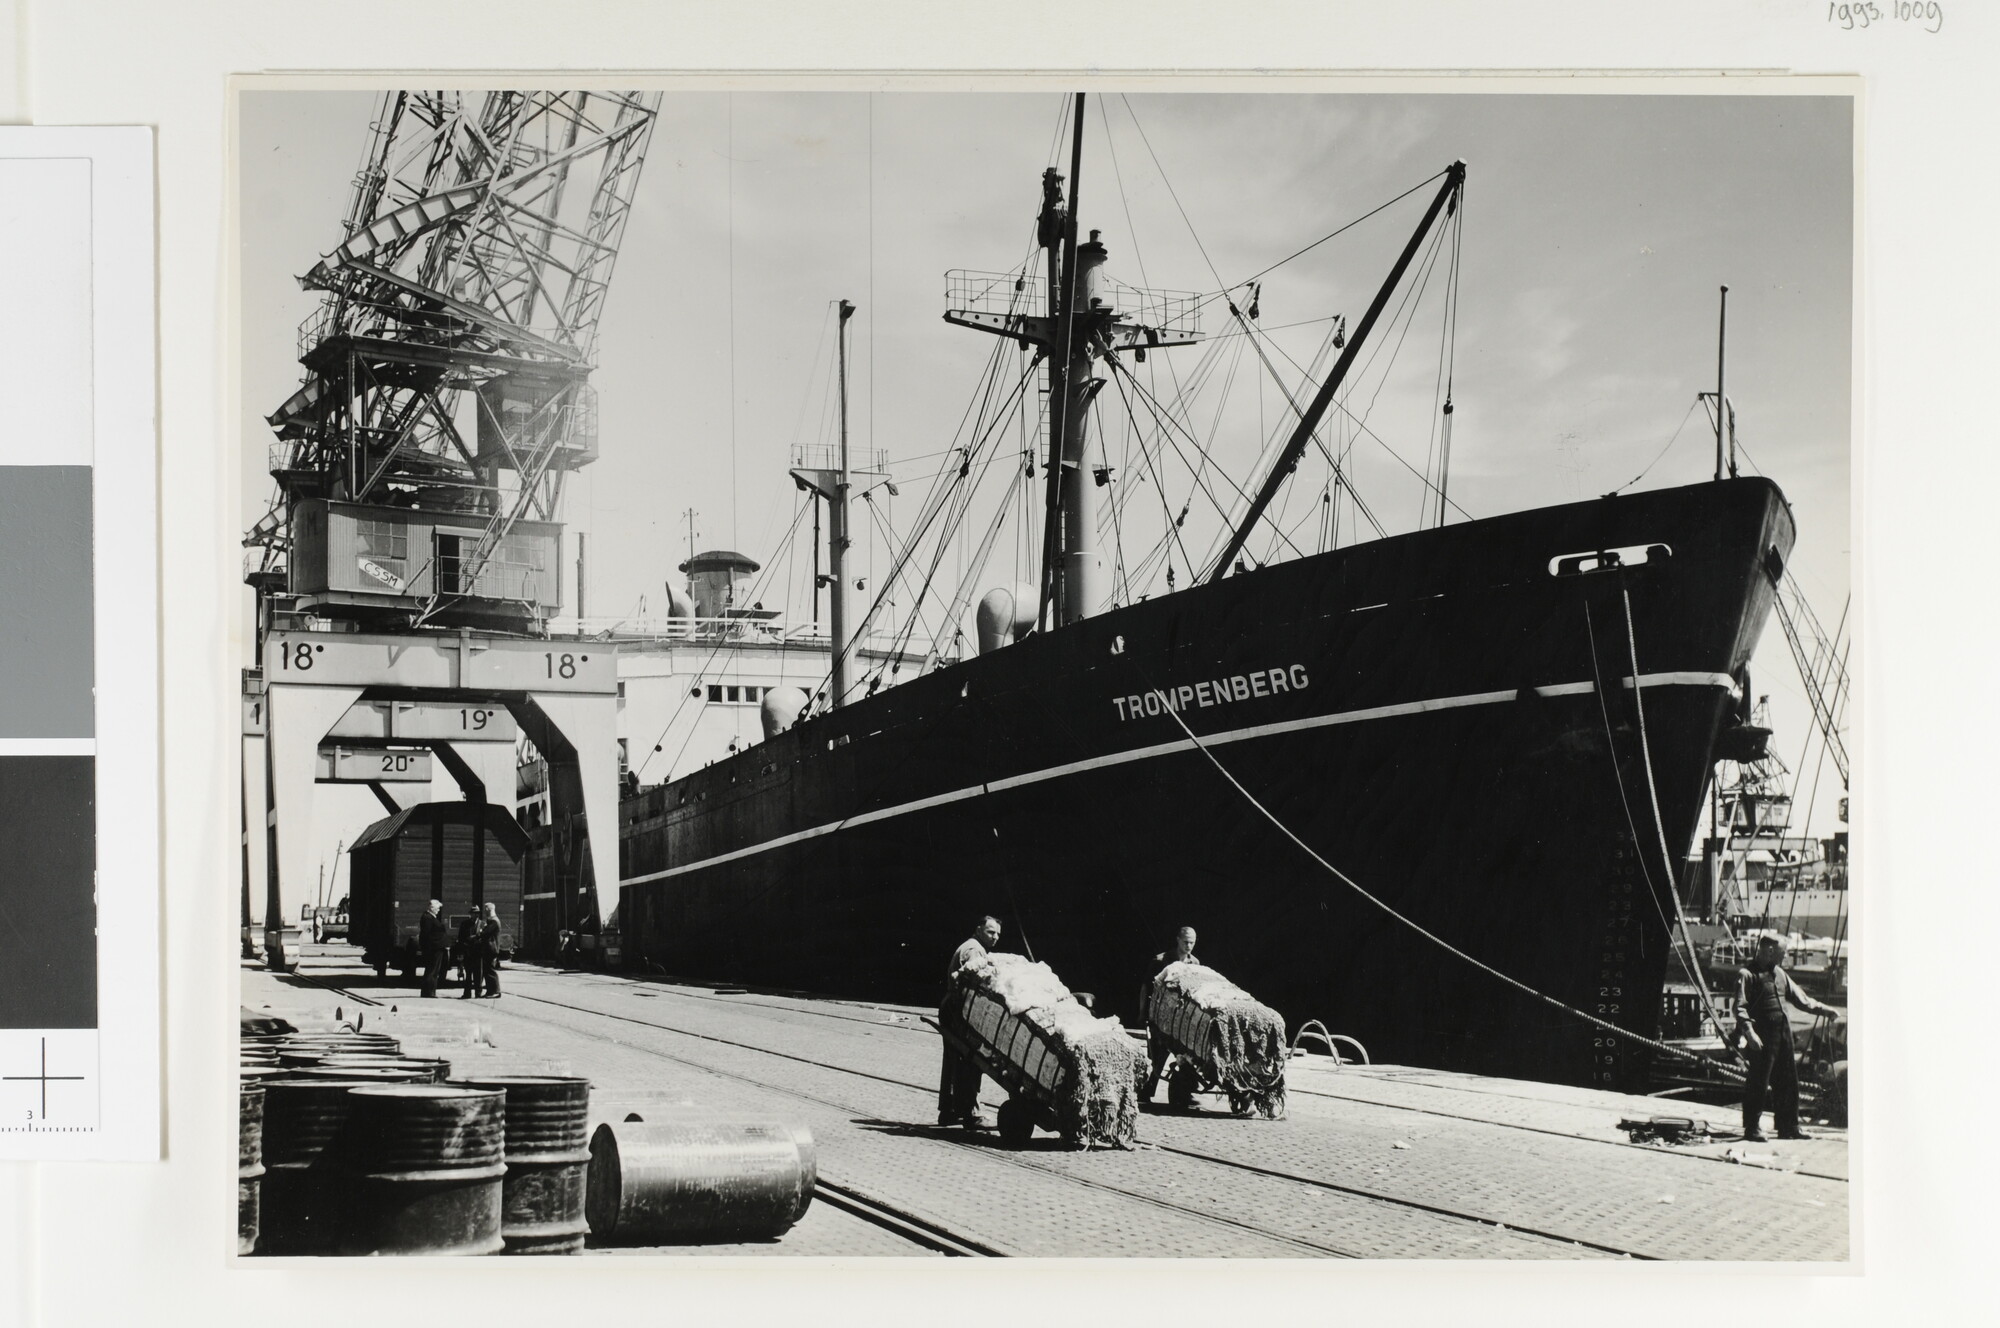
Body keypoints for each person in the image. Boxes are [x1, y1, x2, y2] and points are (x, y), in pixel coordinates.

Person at [1732, 934, 1839, 1141]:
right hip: (1761, 1036)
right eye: (1783, 952)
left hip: (1783, 1034)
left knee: (1789, 1082)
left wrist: (1826, 1010)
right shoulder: (1747, 974)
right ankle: (1752, 1128)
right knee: (1758, 1083)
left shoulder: (1779, 973)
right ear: (1770, 951)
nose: (1785, 956)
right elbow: (1739, 1007)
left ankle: (1788, 1126)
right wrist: (1750, 1033)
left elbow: (1802, 1000)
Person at [938, 915, 1001, 1129]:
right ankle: (971, 1113)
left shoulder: (973, 946)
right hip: (960, 1011)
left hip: (954, 1009)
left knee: (955, 1061)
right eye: (991, 932)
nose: (995, 937)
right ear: (979, 929)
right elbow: (976, 981)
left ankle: (949, 1110)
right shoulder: (974, 950)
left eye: (998, 934)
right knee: (971, 1060)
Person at [1142, 926, 1199, 1101]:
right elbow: (1146, 987)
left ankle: (1186, 1091)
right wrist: (1142, 1012)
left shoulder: (1194, 963)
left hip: (1182, 1019)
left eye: (1192, 942)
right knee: (1157, 1055)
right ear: (1178, 940)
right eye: (1186, 942)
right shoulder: (1161, 961)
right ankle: (1146, 1090)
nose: (1189, 946)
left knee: (1189, 1056)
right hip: (1161, 1017)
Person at [418, 899, 449, 998]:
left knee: (432, 970)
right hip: (433, 949)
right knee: (432, 970)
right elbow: (427, 934)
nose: (439, 910)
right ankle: (429, 992)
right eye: (438, 908)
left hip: (435, 948)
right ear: (432, 908)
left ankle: (428, 991)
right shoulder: (427, 918)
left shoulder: (430, 917)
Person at [477, 902, 503, 998]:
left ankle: (495, 991)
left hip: (491, 949)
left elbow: (485, 933)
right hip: (490, 948)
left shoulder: (494, 921)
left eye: (485, 909)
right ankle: (490, 991)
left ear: (489, 909)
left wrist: (480, 932)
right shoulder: (492, 920)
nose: (484, 911)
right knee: (488, 970)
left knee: (490, 970)